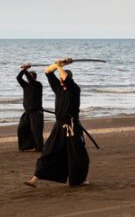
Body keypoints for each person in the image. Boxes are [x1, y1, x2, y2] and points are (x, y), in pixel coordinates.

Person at [24, 58, 90, 188]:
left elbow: (64, 76)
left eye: (62, 78)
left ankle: (82, 179)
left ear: (69, 79)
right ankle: (35, 179)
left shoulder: (74, 89)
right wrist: (57, 64)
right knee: (48, 151)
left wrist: (60, 67)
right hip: (59, 126)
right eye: (60, 78)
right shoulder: (58, 89)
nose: (60, 79)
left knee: (78, 154)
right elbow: (47, 72)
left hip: (72, 127)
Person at [16, 64, 44, 152]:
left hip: (36, 112)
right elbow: (18, 78)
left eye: (31, 77)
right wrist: (23, 70)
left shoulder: (38, 85)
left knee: (36, 131)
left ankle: (39, 147)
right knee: (22, 128)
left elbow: (31, 80)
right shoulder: (26, 86)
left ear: (35, 78)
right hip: (27, 112)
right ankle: (24, 146)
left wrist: (25, 70)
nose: (29, 79)